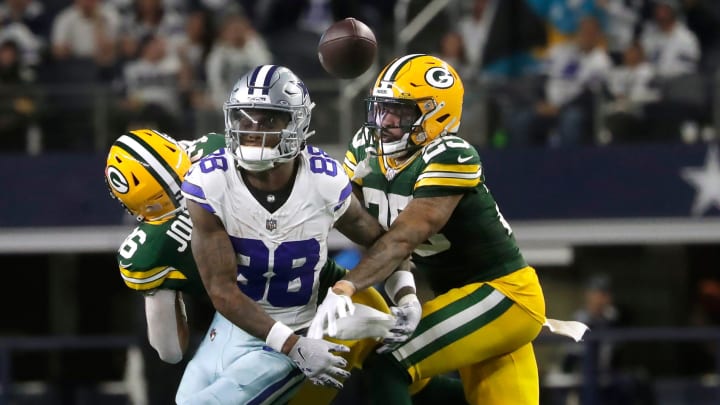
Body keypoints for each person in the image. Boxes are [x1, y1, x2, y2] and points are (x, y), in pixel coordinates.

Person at [309, 54, 586, 405]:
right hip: (461, 300)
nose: (388, 120)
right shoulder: (367, 146)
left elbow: (405, 236)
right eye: (383, 108)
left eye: (403, 112)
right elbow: (375, 237)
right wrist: (406, 294)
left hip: (505, 297)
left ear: (437, 114)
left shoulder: (450, 153)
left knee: (391, 361)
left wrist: (347, 286)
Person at [178, 64, 423, 404]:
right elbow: (221, 290)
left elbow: (384, 243)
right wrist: (295, 348)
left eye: (268, 119)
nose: (253, 130)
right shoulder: (210, 182)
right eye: (244, 119)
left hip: (299, 329)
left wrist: (406, 292)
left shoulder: (323, 180)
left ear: (297, 123)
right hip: (238, 326)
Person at [104, 128, 394, 404]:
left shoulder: (150, 249)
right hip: (278, 298)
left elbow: (169, 350)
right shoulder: (218, 152)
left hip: (281, 316)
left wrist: (169, 289)